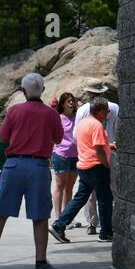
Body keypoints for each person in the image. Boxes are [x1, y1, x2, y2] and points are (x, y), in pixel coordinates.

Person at [0, 73, 62, 269]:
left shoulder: (14, 111)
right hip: (39, 168)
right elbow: (58, 139)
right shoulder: (51, 114)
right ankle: (41, 261)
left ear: (23, 91)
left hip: (14, 165)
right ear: (43, 90)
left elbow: (3, 136)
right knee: (40, 216)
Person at [53, 96, 115, 244]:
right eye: (106, 111)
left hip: (84, 166)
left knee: (80, 198)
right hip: (97, 166)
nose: (107, 114)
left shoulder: (82, 123)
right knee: (105, 199)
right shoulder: (97, 125)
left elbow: (91, 144)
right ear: (99, 111)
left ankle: (59, 224)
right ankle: (106, 233)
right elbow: (98, 149)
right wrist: (106, 164)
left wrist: (109, 146)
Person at [70, 85, 119, 236]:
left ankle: (92, 222)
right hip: (108, 153)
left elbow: (75, 135)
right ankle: (111, 223)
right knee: (112, 189)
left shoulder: (82, 110)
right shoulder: (115, 107)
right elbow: (118, 130)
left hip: (87, 156)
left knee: (89, 193)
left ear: (89, 93)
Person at [50, 93, 79, 222]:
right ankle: (58, 216)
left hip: (76, 156)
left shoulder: (78, 117)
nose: (71, 103)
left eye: (72, 101)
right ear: (62, 104)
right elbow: (51, 136)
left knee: (69, 188)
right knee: (60, 186)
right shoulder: (58, 118)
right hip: (61, 155)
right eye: (68, 101)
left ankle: (65, 218)